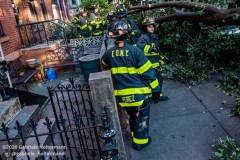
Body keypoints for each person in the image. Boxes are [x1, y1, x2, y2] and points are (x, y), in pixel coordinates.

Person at [101, 20, 163, 150]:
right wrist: (156, 91)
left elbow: (104, 66)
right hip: (139, 97)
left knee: (133, 116)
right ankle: (140, 142)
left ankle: (135, 135)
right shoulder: (136, 52)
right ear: (129, 36)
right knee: (141, 119)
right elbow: (148, 74)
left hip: (122, 99)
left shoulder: (108, 54)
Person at [137, 16, 171, 101]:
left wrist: (164, 58)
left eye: (152, 26)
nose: (152, 28)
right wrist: (150, 49)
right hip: (147, 66)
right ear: (145, 28)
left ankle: (158, 96)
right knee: (150, 82)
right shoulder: (144, 37)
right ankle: (151, 98)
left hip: (154, 65)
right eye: (149, 26)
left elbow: (158, 51)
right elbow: (139, 46)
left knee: (159, 80)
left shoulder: (153, 37)